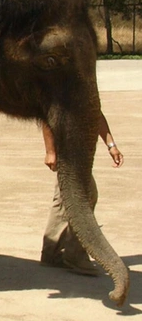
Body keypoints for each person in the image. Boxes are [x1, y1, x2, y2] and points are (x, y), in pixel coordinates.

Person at [39, 113, 124, 276]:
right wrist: (50, 150)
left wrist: (111, 145)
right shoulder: (66, 87)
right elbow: (47, 115)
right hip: (67, 149)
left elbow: (96, 113)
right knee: (84, 196)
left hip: (80, 150)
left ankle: (52, 252)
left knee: (63, 198)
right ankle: (75, 254)